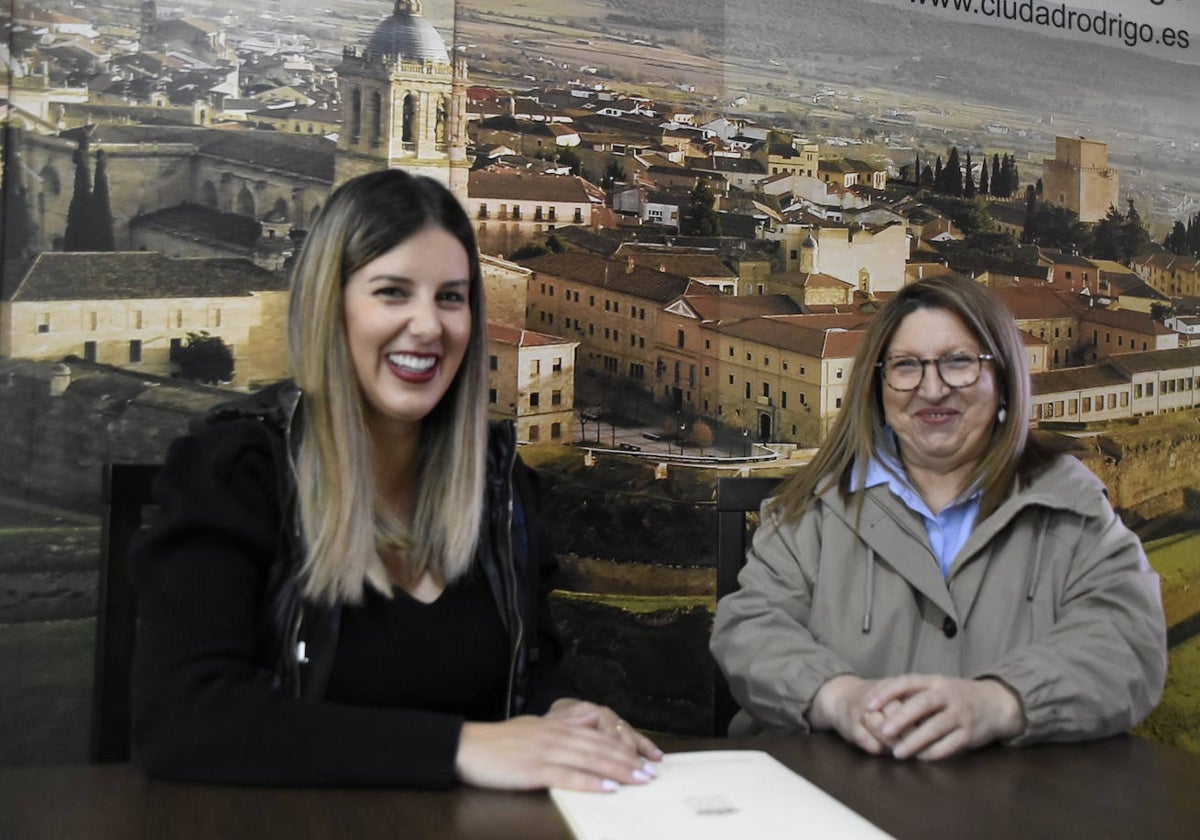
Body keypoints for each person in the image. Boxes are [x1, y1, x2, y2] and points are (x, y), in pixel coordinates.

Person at [130, 169, 661, 790]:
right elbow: (184, 719)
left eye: (450, 298)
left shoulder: (496, 484)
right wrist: (458, 748)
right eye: (391, 292)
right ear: (332, 305)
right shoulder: (239, 471)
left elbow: (528, 670)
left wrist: (562, 713)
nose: (428, 325)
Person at [711, 275, 1166, 761]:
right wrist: (838, 697)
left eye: (958, 362)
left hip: (1018, 810)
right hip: (834, 806)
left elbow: (1128, 642)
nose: (932, 389)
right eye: (907, 366)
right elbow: (751, 630)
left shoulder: (1071, 505)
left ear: (1004, 378)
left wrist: (1001, 701)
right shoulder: (811, 510)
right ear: (878, 384)